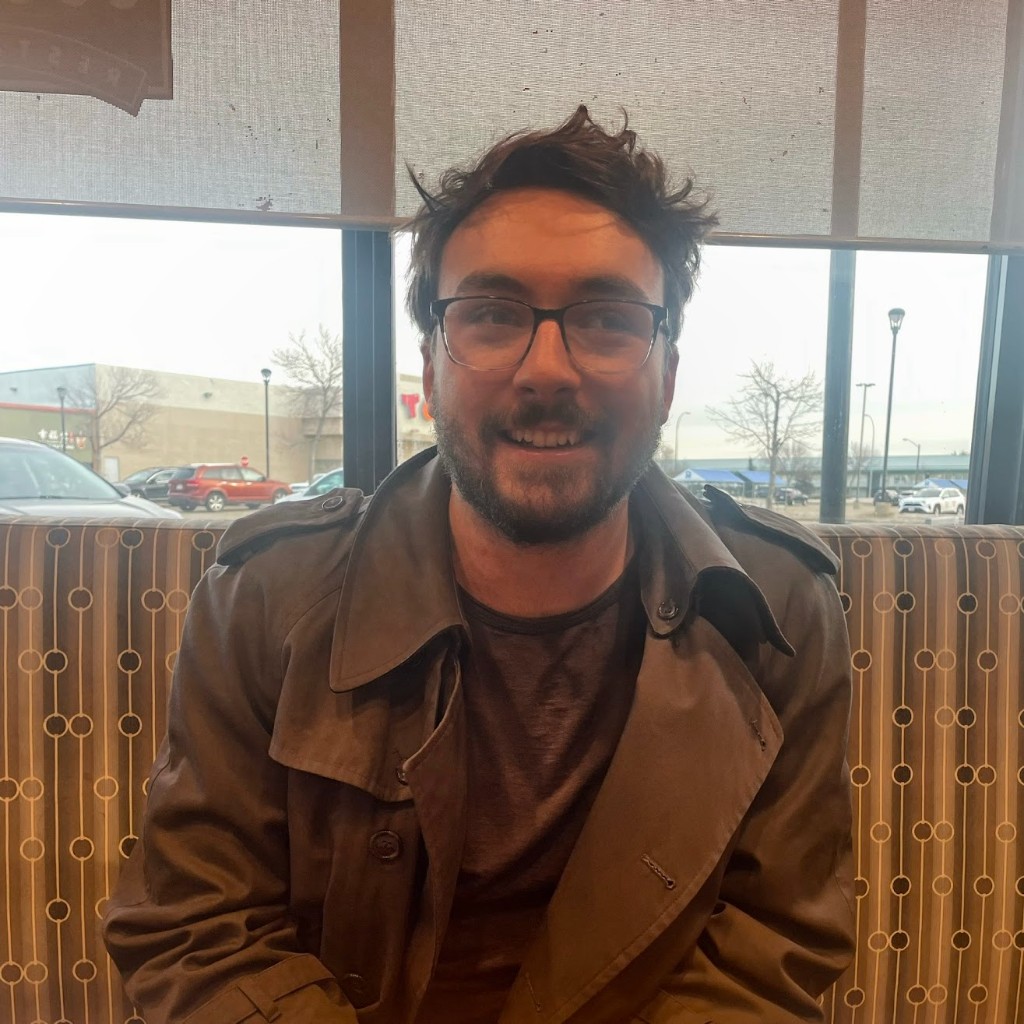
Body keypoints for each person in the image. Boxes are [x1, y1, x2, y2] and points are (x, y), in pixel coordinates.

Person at [104, 106, 855, 1023]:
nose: (548, 369)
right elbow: (197, 929)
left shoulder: (780, 610)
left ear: (666, 372)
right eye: (494, 315)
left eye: (609, 319)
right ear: (431, 362)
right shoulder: (263, 597)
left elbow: (775, 945)